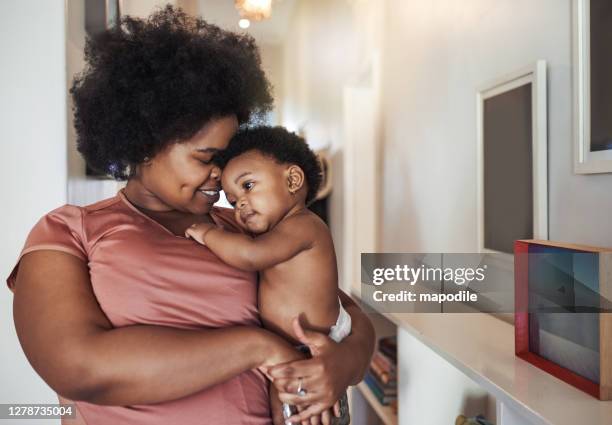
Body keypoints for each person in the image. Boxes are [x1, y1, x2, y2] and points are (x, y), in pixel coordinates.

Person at [6, 6, 374, 425]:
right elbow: (78, 369)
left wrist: (344, 363)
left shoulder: (247, 229)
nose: (223, 176)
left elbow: (345, 315)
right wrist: (259, 347)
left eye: (230, 159)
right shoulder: (69, 231)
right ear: (145, 144)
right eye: (207, 158)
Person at [185, 126, 351, 424]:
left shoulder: (304, 226)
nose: (240, 205)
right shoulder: (281, 232)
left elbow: (250, 255)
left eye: (247, 186)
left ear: (292, 180)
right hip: (291, 352)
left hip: (312, 356)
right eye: (233, 201)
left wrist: (208, 234)